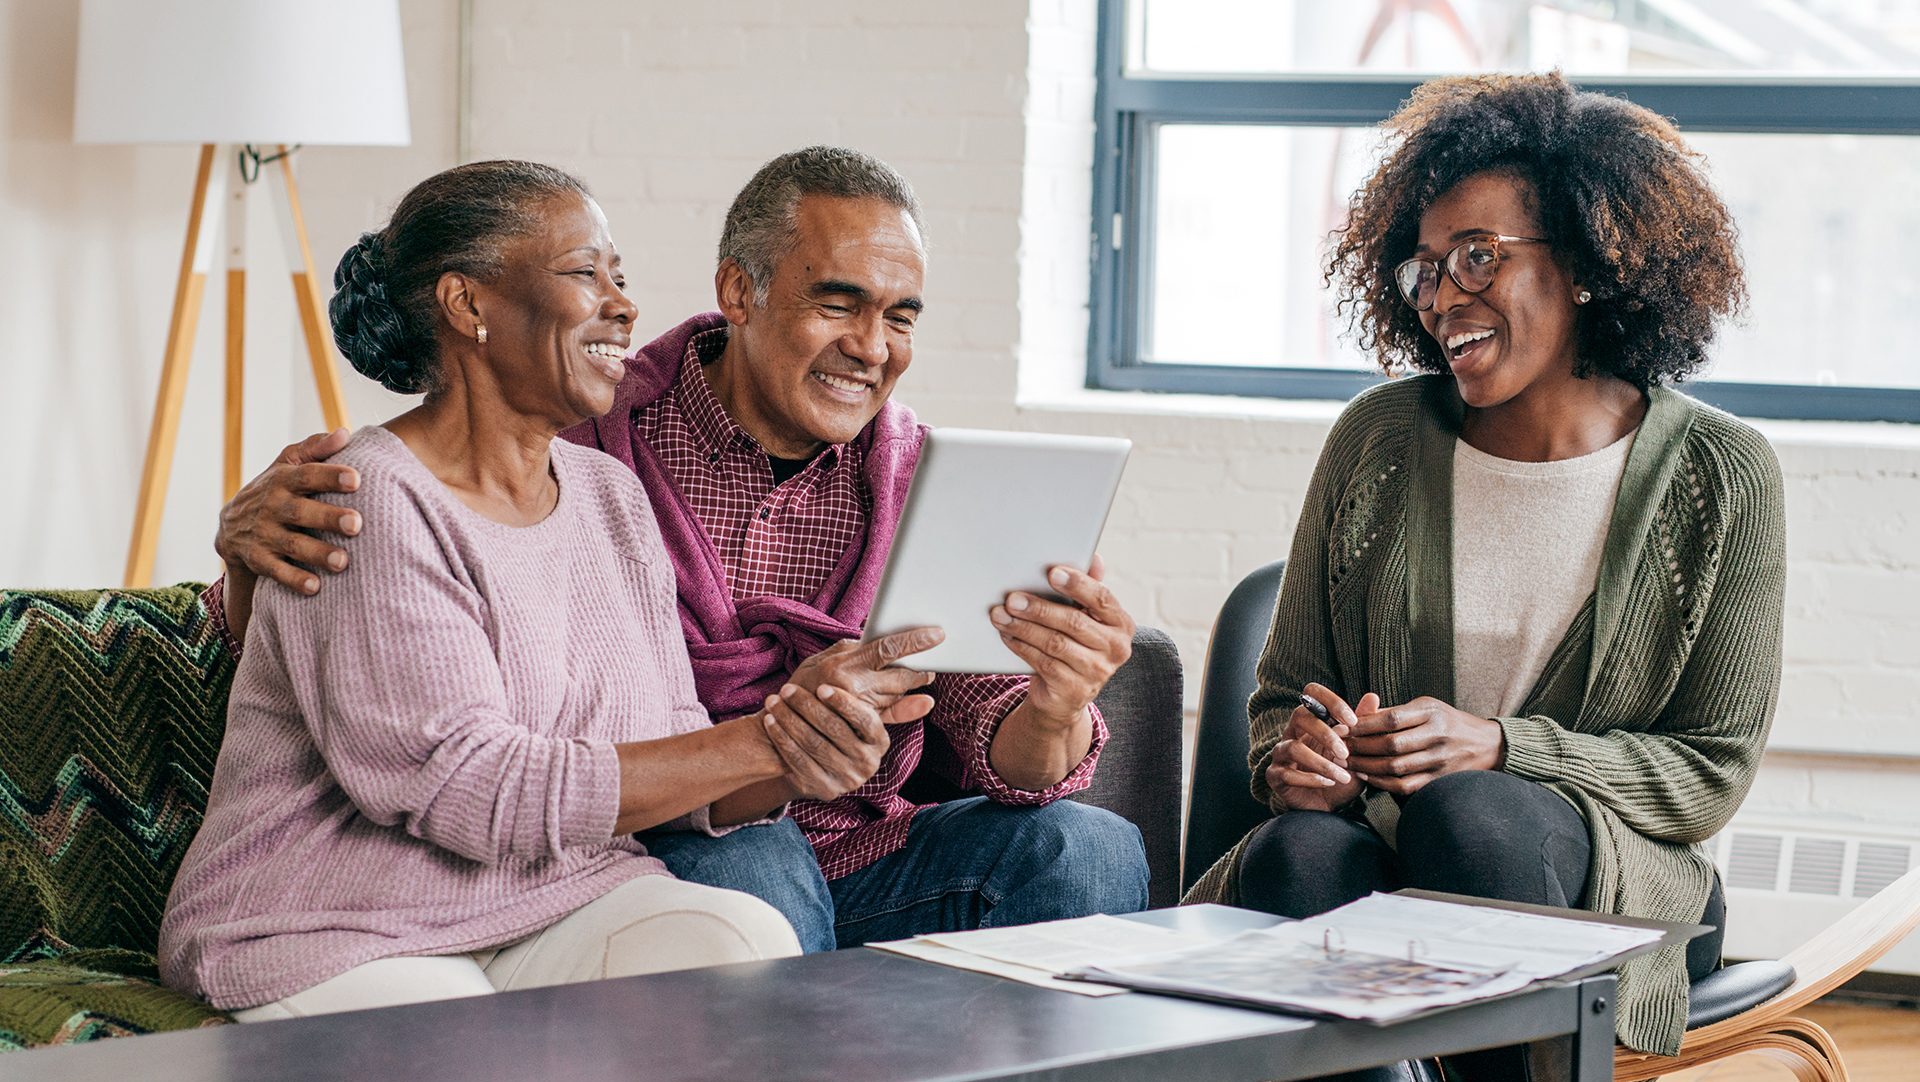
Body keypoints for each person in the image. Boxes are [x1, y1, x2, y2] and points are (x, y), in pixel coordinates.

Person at [202, 146, 1150, 953]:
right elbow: (337, 648)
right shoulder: (580, 439)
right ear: (740, 289)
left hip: (864, 845)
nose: (873, 346)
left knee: (1090, 848)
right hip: (661, 829)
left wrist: (1060, 700)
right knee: (757, 868)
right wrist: (247, 556)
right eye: (839, 303)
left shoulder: (926, 479)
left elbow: (1010, 753)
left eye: (900, 316)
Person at [160, 160, 904, 1019]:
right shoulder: (358, 499)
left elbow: (677, 748)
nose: (624, 305)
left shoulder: (610, 497)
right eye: (587, 274)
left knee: (747, 943)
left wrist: (808, 747)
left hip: (553, 899)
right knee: (464, 1036)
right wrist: (764, 741)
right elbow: (469, 789)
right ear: (468, 304)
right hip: (336, 922)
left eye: (621, 278)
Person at [1182, 72, 1784, 1076]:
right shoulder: (1377, 440)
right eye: (1425, 272)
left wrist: (1502, 746)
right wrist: (1300, 760)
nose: (1443, 299)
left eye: (1477, 258)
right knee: (1295, 849)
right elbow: (1283, 699)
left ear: (1591, 261)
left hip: (1602, 878)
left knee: (1472, 809)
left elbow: (1706, 771)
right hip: (1377, 855)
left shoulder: (1720, 474)